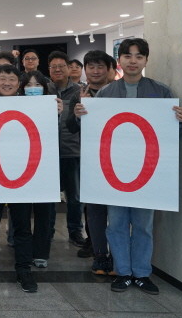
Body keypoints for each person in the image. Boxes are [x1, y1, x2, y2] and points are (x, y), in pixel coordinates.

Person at [75, 38, 182, 295]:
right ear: (120, 61)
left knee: (143, 225)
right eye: (127, 56)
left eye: (139, 56)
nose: (133, 61)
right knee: (116, 223)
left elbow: (171, 132)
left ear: (146, 60)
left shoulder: (161, 92)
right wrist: (82, 117)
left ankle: (142, 273)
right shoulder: (106, 93)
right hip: (115, 169)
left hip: (148, 170)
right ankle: (123, 271)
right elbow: (95, 132)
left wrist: (181, 121)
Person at [0, 65, 61, 293]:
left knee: (23, 226)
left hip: (22, 175)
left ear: (19, 84)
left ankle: (23, 269)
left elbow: (47, 136)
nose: (7, 83)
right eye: (2, 79)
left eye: (12, 79)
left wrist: (54, 115)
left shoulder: (32, 108)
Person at [67, 50, 114, 274]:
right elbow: (70, 127)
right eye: (91, 67)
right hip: (90, 158)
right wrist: (78, 114)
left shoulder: (117, 93)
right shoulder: (80, 94)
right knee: (94, 208)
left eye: (100, 67)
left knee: (116, 210)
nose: (95, 71)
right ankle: (98, 252)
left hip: (117, 157)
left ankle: (116, 253)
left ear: (109, 69)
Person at [20, 71, 57, 270]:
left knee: (45, 212)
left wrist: (59, 115)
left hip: (46, 166)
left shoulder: (53, 106)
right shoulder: (14, 106)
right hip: (22, 164)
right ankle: (24, 251)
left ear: (44, 87)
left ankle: (41, 252)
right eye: (28, 85)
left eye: (37, 85)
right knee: (22, 213)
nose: (32, 88)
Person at [47, 51, 85, 248]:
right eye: (53, 67)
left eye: (61, 66)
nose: (57, 70)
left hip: (73, 150)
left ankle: (75, 231)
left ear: (69, 68)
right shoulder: (43, 90)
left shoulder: (80, 91)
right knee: (49, 196)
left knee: (75, 196)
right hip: (48, 153)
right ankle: (48, 231)